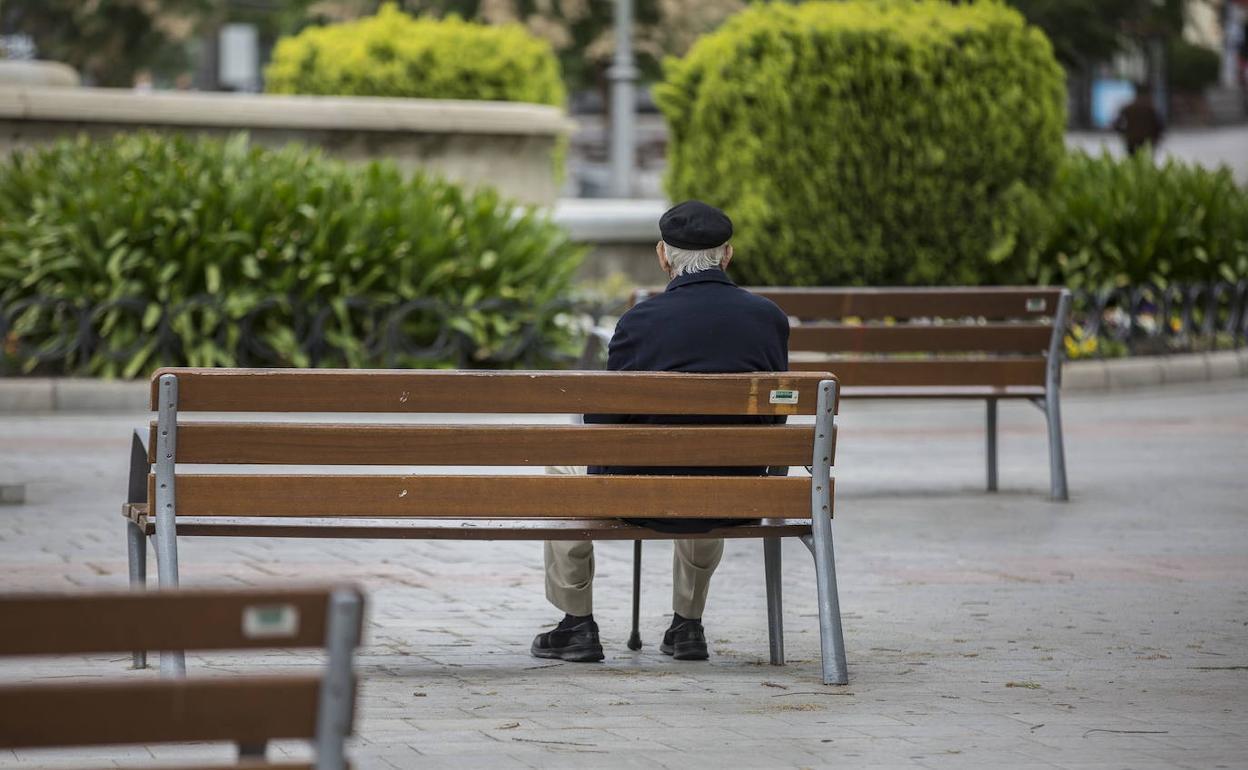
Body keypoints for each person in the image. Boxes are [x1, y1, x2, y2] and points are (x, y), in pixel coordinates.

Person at [531, 200, 790, 663]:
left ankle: (577, 624)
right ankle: (687, 626)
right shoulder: (768, 318)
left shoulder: (639, 322)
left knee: (562, 467)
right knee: (711, 465)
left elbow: (601, 426)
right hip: (737, 490)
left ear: (662, 255)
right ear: (727, 255)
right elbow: (774, 417)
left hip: (643, 494)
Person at [1113, 83, 1165, 157]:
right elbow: (1160, 125)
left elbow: (1116, 124)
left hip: (1132, 141)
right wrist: (1156, 138)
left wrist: (1124, 134)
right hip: (1148, 141)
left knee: (1132, 161)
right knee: (1146, 161)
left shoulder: (1128, 108)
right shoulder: (1151, 109)